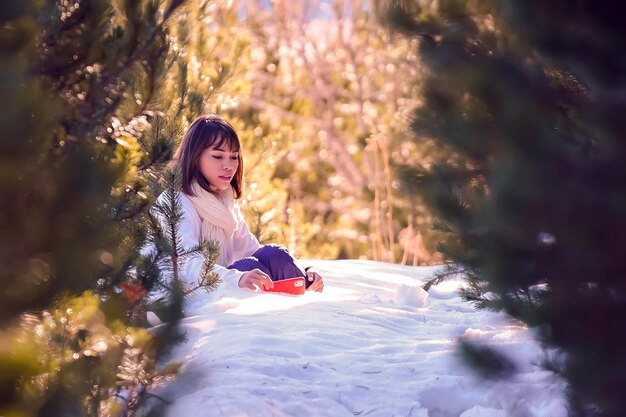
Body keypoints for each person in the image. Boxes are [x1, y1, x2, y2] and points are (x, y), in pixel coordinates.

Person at [155, 114, 324, 292]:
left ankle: (305, 289)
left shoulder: (224, 201)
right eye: (218, 156)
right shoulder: (174, 202)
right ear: (195, 158)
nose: (228, 165)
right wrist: (237, 277)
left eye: (234, 157)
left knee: (275, 255)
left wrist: (304, 272)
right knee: (248, 270)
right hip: (181, 296)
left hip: (215, 285)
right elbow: (185, 264)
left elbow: (252, 251)